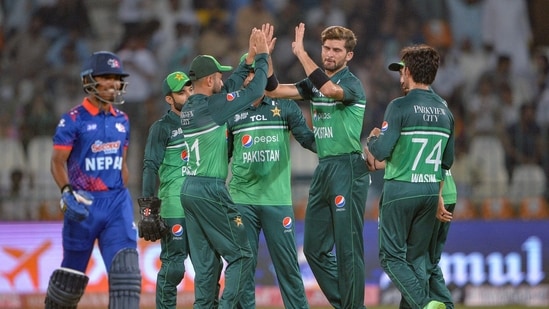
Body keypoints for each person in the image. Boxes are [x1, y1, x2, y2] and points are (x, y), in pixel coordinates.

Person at [265, 23, 370, 308]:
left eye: (337, 50)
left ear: (349, 56)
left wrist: (300, 53)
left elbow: (331, 90)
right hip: (324, 169)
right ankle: (349, 305)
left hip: (348, 167)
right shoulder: (315, 85)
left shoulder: (350, 84)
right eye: (326, 48)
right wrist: (265, 56)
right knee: (313, 249)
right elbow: (273, 91)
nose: (330, 54)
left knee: (348, 249)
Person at [179, 27, 270, 308]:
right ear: (209, 80)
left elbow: (228, 91)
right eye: (218, 74)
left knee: (206, 266)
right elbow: (254, 89)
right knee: (242, 253)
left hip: (189, 190)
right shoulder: (211, 108)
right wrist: (264, 57)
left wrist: (248, 60)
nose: (222, 78)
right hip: (209, 188)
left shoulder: (191, 108)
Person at [46, 51, 141, 308]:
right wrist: (66, 192)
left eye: (117, 78)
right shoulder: (73, 119)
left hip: (116, 205)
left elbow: (122, 164)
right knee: (70, 282)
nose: (113, 84)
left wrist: (123, 194)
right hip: (83, 205)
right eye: (106, 77)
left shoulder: (123, 120)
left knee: (126, 276)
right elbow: (57, 162)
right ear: (89, 80)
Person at [366, 44, 455, 309]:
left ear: (409, 71)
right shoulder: (445, 111)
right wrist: (438, 194)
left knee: (391, 257)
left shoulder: (399, 106)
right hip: (429, 191)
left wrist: (372, 140)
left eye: (402, 71)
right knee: (417, 259)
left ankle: (426, 304)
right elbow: (446, 161)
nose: (400, 77)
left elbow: (381, 151)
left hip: (400, 190)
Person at [227, 53, 315, 309]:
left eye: (258, 71)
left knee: (288, 268)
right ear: (243, 78)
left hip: (277, 200)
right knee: (243, 269)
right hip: (241, 200)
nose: (253, 77)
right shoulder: (232, 111)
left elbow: (309, 141)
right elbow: (223, 155)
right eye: (249, 73)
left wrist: (338, 144)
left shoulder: (285, 107)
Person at [139, 71, 192, 309]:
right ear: (169, 99)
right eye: (182, 92)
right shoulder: (162, 128)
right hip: (174, 204)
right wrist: (148, 210)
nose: (188, 95)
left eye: (190, 89)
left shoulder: (205, 119)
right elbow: (150, 167)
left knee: (210, 267)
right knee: (174, 268)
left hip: (202, 204)